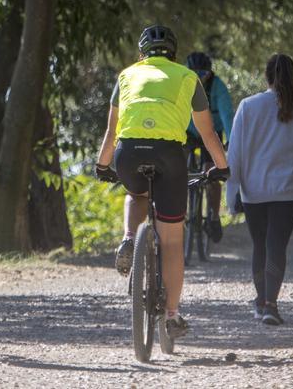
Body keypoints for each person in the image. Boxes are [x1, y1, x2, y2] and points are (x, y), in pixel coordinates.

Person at [95, 25, 230, 340]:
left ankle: (129, 237)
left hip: (128, 153)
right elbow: (207, 132)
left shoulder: (126, 76)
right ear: (174, 53)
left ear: (142, 53)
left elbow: (112, 130)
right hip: (169, 155)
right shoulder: (187, 77)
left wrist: (102, 164)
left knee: (137, 192)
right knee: (171, 241)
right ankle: (171, 315)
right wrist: (221, 167)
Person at [227, 53, 293, 326]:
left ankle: (261, 302)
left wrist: (232, 192)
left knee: (260, 245)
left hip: (253, 191)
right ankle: (270, 304)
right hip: (288, 191)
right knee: (276, 245)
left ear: (267, 76)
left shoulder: (247, 106)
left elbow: (234, 154)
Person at [185, 51, 235, 242]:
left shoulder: (218, 86)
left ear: (210, 73)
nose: (199, 78)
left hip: (211, 131)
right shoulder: (182, 83)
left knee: (211, 170)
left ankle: (213, 215)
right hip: (188, 131)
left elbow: (227, 115)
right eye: (194, 74)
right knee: (177, 166)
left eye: (203, 74)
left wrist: (231, 140)